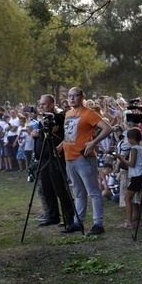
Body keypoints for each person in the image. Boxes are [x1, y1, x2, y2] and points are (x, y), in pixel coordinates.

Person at [61, 87, 112, 235]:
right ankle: (78, 221)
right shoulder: (68, 113)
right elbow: (70, 134)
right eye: (70, 96)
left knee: (93, 191)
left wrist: (93, 142)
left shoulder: (89, 113)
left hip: (84, 157)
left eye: (76, 96)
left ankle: (98, 223)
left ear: (82, 97)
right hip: (69, 156)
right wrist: (60, 146)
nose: (72, 98)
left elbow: (107, 128)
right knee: (78, 191)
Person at [32, 94, 74, 229]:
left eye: (43, 104)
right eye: (40, 104)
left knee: (60, 188)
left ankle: (69, 218)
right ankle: (52, 215)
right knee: (47, 189)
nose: (40, 107)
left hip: (55, 158)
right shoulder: (43, 119)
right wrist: (35, 135)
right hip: (43, 158)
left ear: (51, 105)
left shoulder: (59, 118)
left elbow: (62, 135)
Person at [115, 127, 142, 229]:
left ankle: (129, 222)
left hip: (136, 176)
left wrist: (121, 158)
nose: (127, 140)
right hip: (141, 174)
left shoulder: (134, 149)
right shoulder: (140, 147)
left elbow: (131, 163)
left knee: (127, 197)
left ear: (132, 138)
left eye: (128, 138)